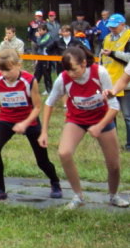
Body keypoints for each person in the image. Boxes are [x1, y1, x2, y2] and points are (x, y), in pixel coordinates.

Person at [39, 46, 128, 209]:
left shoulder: (99, 73)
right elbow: (49, 103)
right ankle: (78, 196)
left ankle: (113, 195)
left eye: (73, 69)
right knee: (64, 152)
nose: (71, 74)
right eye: (67, 70)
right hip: (77, 119)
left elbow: (114, 106)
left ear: (84, 63)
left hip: (102, 118)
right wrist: (44, 131)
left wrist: (99, 126)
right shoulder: (63, 78)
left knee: (113, 164)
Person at [0, 49, 62, 201]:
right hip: (7, 118)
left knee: (42, 160)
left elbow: (38, 107)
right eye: (2, 70)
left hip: (29, 119)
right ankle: (0, 189)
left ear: (18, 65)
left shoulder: (29, 80)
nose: (5, 74)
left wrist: (25, 123)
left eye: (8, 70)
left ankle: (55, 181)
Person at [99, 13, 130, 150]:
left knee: (128, 116)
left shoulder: (128, 37)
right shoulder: (106, 38)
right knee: (110, 115)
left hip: (126, 83)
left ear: (122, 25)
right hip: (109, 83)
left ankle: (129, 145)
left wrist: (113, 53)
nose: (112, 29)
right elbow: (101, 59)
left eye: (114, 26)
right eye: (110, 27)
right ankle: (113, 144)